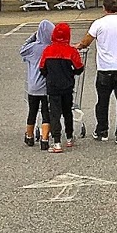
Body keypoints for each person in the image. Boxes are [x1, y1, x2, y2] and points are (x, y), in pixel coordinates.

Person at [77, 0, 117, 144]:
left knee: (102, 101)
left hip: (105, 68)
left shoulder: (99, 24)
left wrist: (77, 47)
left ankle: (102, 130)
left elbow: (86, 41)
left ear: (104, 8)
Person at [38, 22, 84, 153]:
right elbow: (79, 68)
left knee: (55, 113)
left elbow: (42, 68)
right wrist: (71, 73)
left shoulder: (48, 50)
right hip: (67, 86)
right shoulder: (71, 51)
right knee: (67, 111)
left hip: (53, 86)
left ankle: (57, 142)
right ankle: (69, 137)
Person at [18, 18, 53, 149]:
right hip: (47, 86)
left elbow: (22, 50)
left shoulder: (33, 48)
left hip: (33, 86)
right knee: (46, 112)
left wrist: (33, 37)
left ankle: (30, 135)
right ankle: (45, 139)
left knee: (32, 111)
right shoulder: (51, 47)